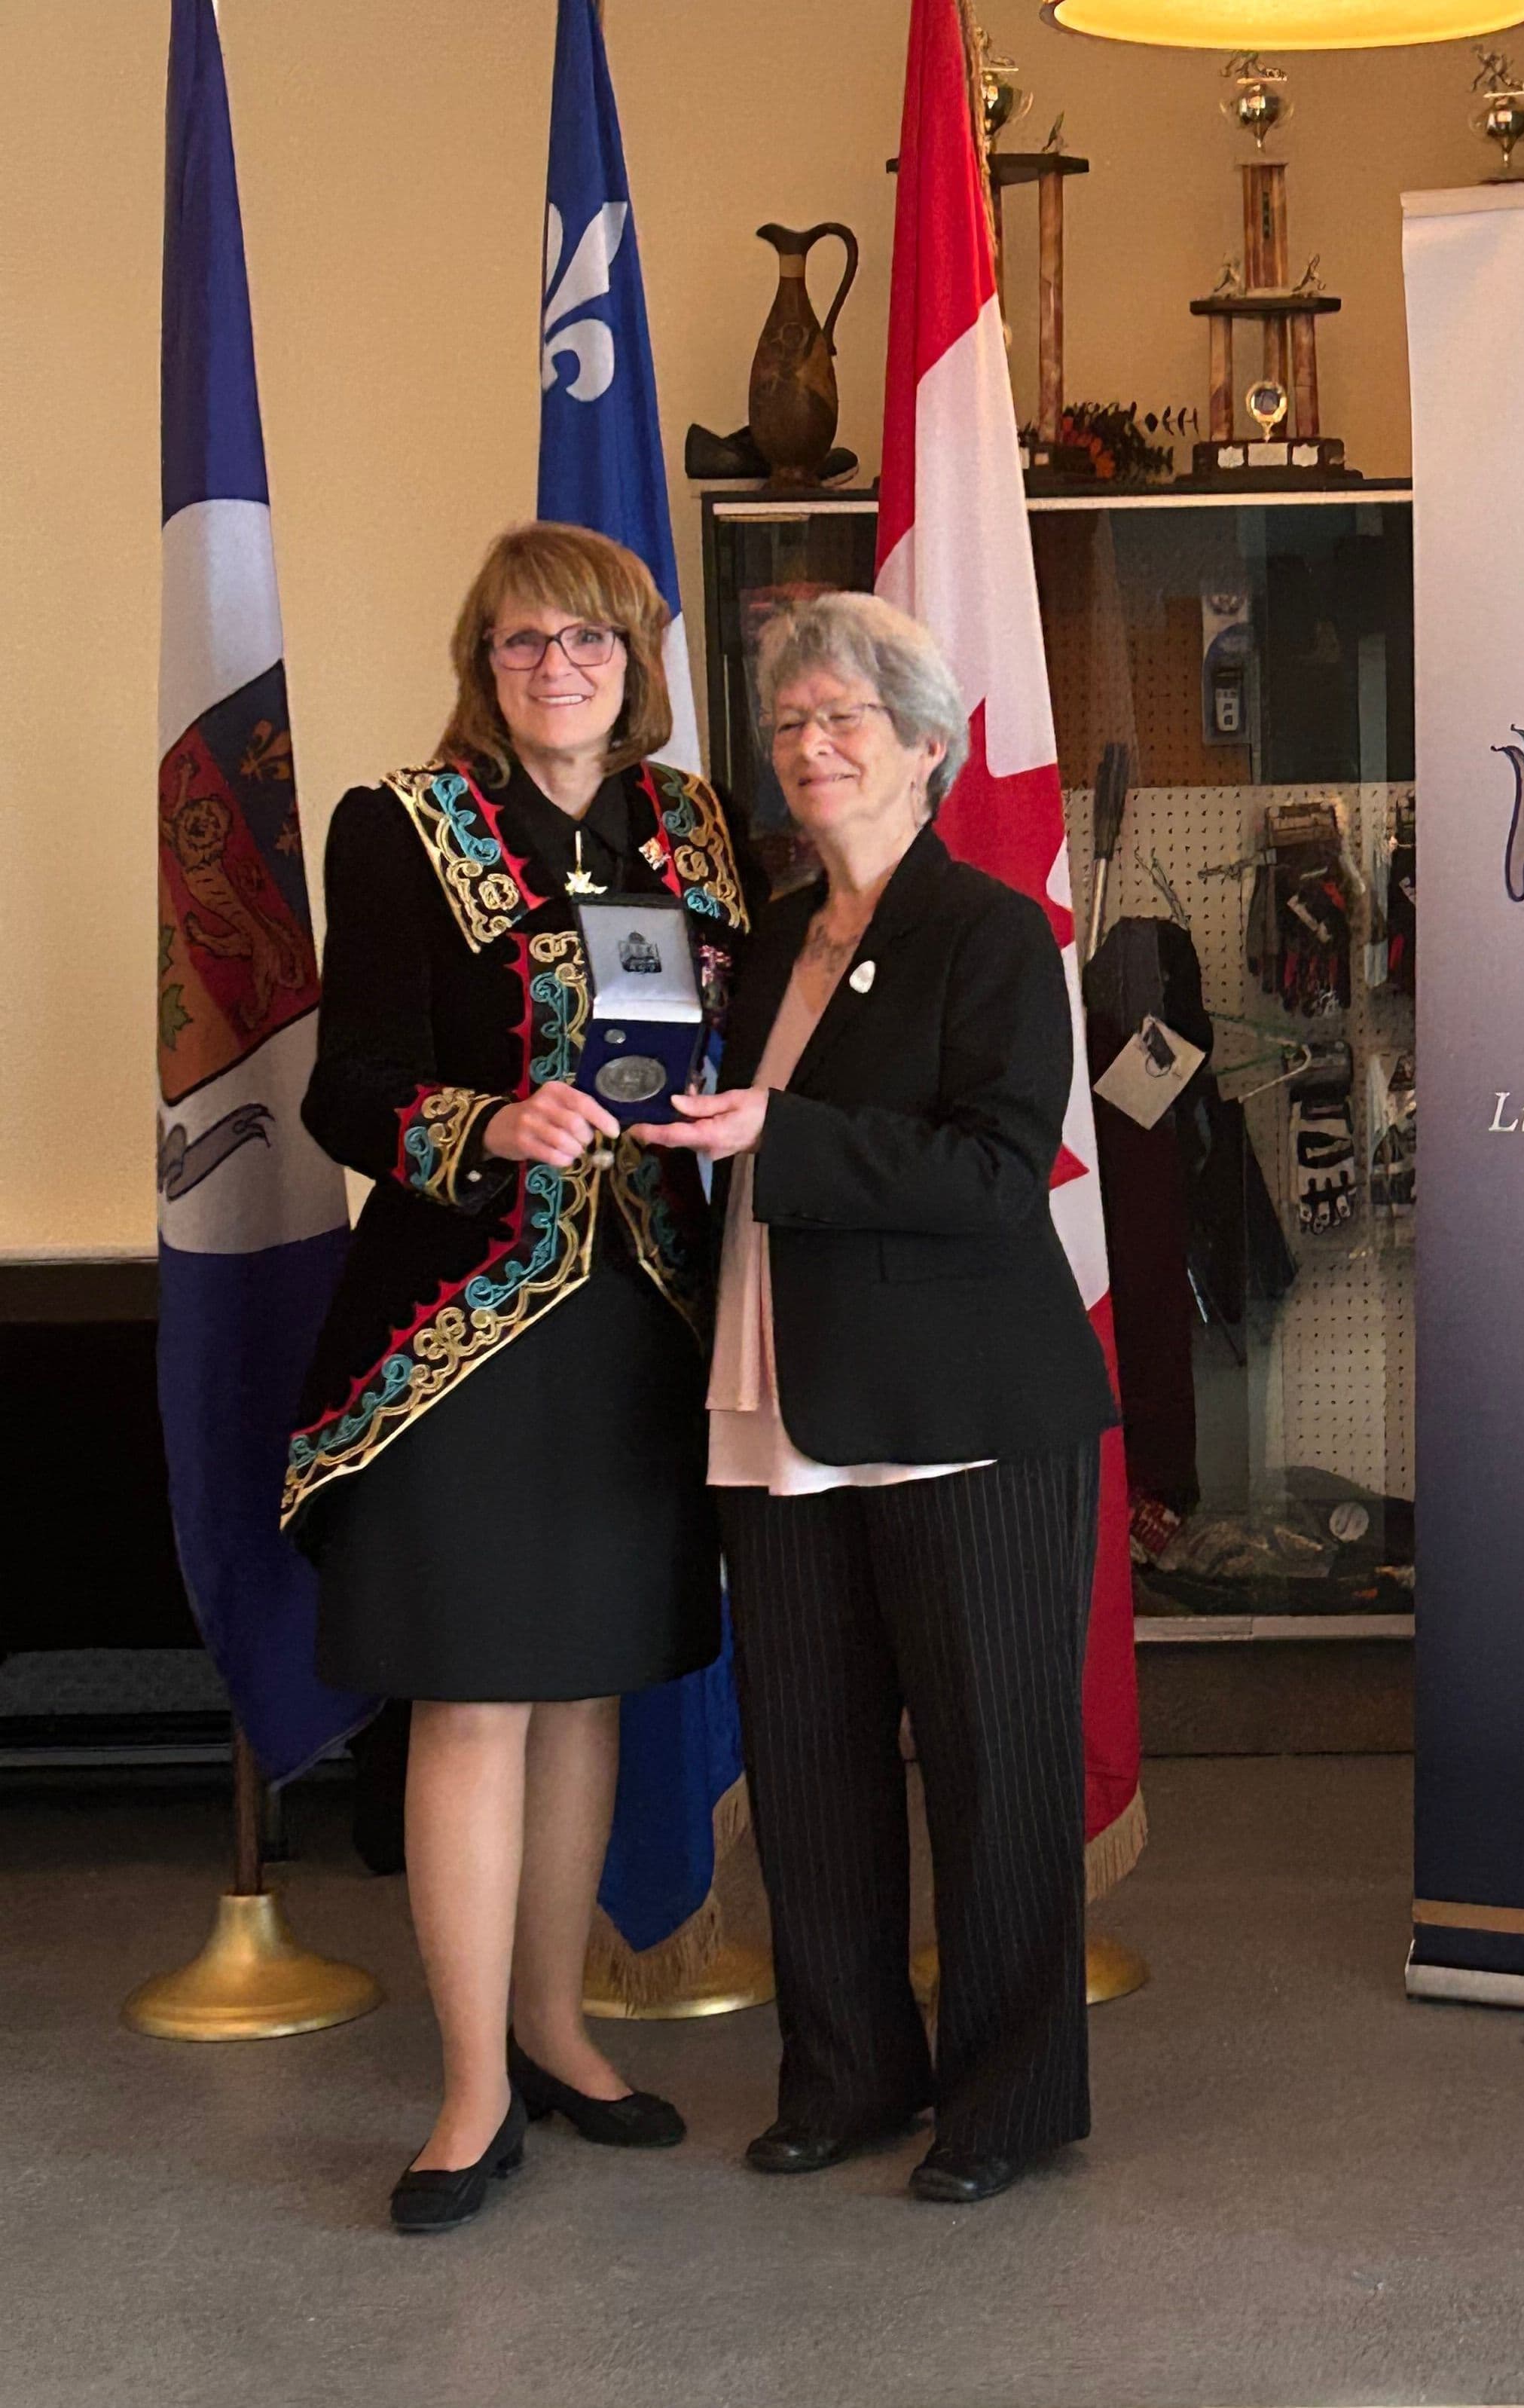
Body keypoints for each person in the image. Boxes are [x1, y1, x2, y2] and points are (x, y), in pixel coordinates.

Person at [283, 522, 751, 2232]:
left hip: (643, 1317)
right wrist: (487, 1120)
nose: (560, 666)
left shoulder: (693, 829)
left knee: (584, 1685)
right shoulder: (400, 825)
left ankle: (557, 2025)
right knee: (477, 1690)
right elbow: (350, 1084)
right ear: (481, 664)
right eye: (523, 641)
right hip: (463, 1327)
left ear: (639, 661)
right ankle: (473, 2088)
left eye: (593, 640)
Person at [645, 591, 1116, 2205]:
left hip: (960, 1403)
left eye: (847, 718)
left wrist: (776, 1130)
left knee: (995, 1764)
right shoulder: (769, 937)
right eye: (787, 726)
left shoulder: (986, 930)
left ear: (928, 745)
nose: (812, 746)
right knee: (808, 1758)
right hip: (773, 1395)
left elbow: (998, 1169)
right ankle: (844, 2073)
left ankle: (1005, 2099)